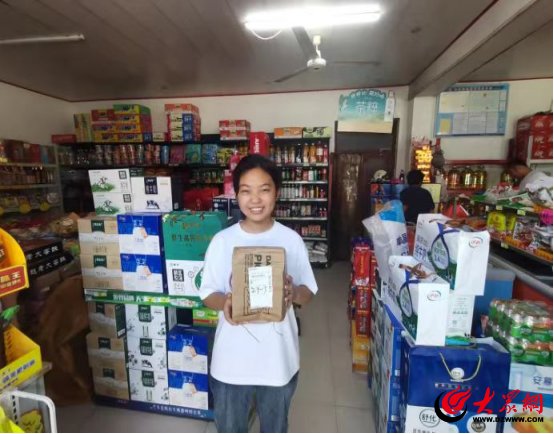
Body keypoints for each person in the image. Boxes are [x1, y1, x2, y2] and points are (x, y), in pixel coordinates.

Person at [199, 154, 318, 433]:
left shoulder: (291, 240)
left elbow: (308, 292)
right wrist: (226, 303)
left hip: (277, 361)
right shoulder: (222, 241)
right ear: (236, 194)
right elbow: (208, 294)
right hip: (231, 362)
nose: (255, 199)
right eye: (246, 190)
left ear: (276, 193)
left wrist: (292, 294)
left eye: (264, 189)